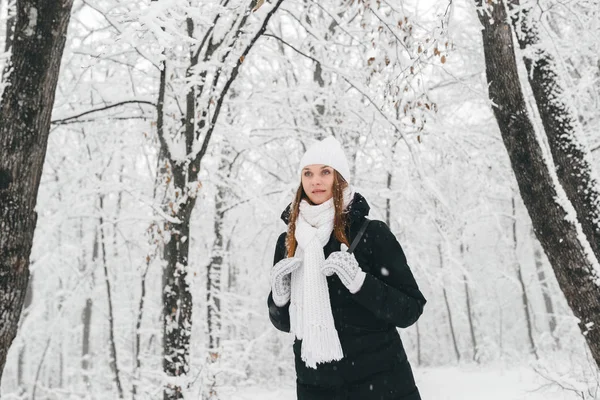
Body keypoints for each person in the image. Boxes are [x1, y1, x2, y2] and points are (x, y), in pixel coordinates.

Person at [267, 136, 427, 400]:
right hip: (316, 386)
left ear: (339, 177)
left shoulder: (371, 234)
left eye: (325, 172)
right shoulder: (289, 241)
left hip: (382, 384)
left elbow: (410, 309)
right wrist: (279, 298)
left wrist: (361, 283)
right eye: (308, 173)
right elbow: (286, 325)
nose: (315, 181)